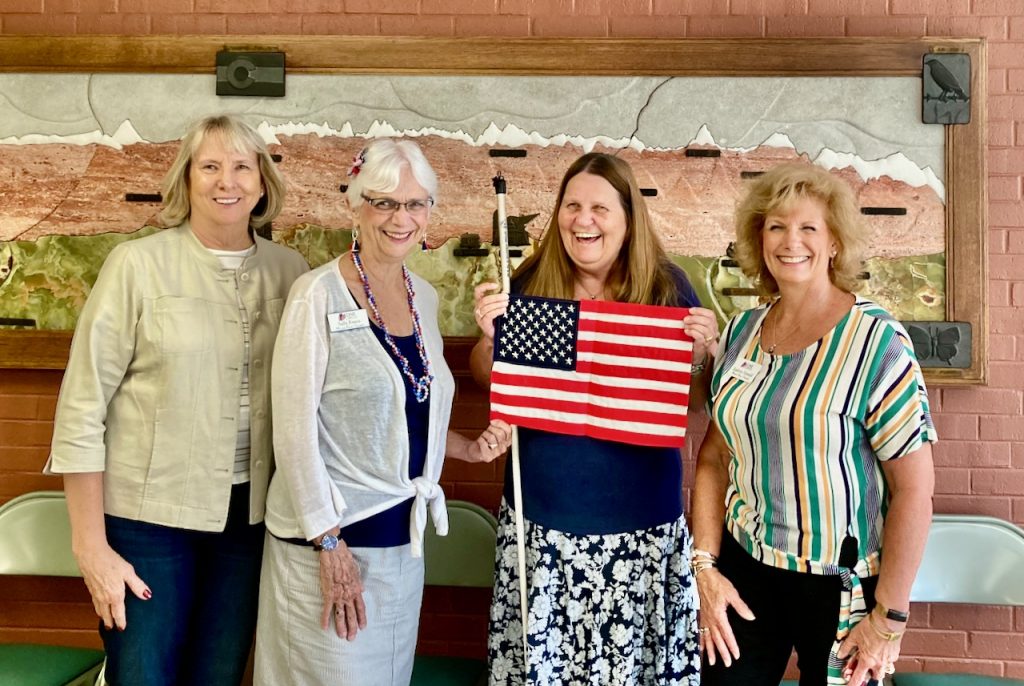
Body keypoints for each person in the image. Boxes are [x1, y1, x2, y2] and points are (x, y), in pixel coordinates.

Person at [46, 113, 310, 685]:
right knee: (142, 674)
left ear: (263, 182)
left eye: (242, 166)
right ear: (185, 180)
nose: (227, 181)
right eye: (210, 166)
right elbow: (81, 408)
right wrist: (91, 546)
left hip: (249, 519)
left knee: (217, 675)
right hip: (146, 522)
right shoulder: (136, 266)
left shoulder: (292, 274)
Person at [254, 138, 513, 686]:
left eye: (416, 204)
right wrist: (328, 543)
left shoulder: (423, 295)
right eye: (386, 202)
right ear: (356, 204)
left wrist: (465, 447)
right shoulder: (316, 296)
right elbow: (294, 433)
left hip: (402, 545)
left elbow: (415, 405)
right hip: (328, 545)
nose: (402, 218)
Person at [470, 152, 719, 685]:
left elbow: (696, 400)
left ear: (628, 219)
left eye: (600, 208)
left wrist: (702, 353)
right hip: (544, 526)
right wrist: (492, 337)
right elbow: (488, 375)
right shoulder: (533, 280)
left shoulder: (666, 287)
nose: (584, 219)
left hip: (643, 531)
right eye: (573, 205)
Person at [692, 162, 936, 686]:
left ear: (834, 243)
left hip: (842, 586)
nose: (790, 241)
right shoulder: (741, 332)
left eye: (808, 228)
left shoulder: (877, 342)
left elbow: (914, 491)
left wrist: (889, 620)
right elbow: (713, 455)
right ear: (759, 240)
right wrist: (705, 566)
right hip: (745, 569)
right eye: (776, 226)